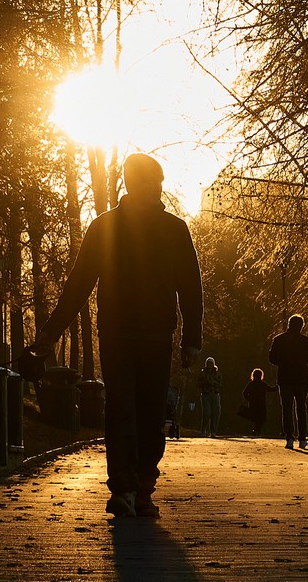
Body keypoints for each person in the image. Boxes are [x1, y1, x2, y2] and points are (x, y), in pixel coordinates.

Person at [31, 153, 203, 518]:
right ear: (134, 183)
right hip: (125, 333)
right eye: (150, 182)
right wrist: (49, 333)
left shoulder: (163, 229)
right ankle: (128, 487)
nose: (155, 189)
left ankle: (139, 485)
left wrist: (191, 338)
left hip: (146, 334)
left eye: (157, 182)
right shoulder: (119, 228)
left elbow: (191, 288)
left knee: (142, 411)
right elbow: (79, 284)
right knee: (127, 409)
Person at [269, 314, 308, 449]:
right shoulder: (305, 341)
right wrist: (302, 360)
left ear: (289, 324)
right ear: (301, 326)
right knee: (301, 407)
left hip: (285, 378)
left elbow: (271, 358)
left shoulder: (279, 340)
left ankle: (289, 437)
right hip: (301, 378)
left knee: (287, 407)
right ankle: (302, 437)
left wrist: (284, 361)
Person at [198, 355, 223, 437]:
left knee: (215, 413)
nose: (209, 365)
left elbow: (219, 384)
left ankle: (213, 432)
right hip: (206, 395)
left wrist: (211, 383)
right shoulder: (202, 373)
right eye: (208, 364)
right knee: (207, 413)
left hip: (215, 394)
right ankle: (203, 429)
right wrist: (205, 382)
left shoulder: (217, 373)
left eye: (211, 364)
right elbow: (198, 384)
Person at [242, 368, 269, 437]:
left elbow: (244, 393)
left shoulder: (251, 384)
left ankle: (256, 431)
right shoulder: (263, 384)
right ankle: (257, 431)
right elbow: (271, 389)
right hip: (261, 405)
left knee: (257, 419)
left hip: (254, 404)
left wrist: (250, 400)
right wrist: (279, 386)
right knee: (260, 419)